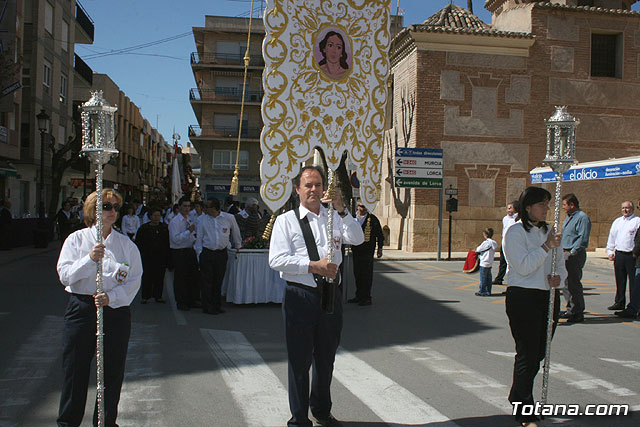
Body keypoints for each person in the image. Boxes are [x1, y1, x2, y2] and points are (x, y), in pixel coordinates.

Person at [269, 165, 364, 427]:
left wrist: (342, 209)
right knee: (299, 361)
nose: (314, 189)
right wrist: (312, 266)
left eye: (318, 185)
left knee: (326, 359)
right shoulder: (285, 221)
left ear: (325, 189)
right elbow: (276, 259)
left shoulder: (333, 217)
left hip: (331, 296)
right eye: (308, 185)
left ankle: (321, 410)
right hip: (300, 296)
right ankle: (299, 419)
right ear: (298, 189)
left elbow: (357, 238)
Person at [56, 188, 142, 427]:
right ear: (93, 211)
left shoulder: (126, 245)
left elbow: (134, 280)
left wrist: (112, 297)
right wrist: (89, 259)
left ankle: (104, 422)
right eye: (106, 207)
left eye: (115, 207)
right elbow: (65, 275)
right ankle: (68, 422)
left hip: (114, 312)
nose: (112, 211)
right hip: (81, 308)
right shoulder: (76, 240)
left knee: (111, 372)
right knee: (75, 370)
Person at [502, 187, 565, 427]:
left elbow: (561, 263)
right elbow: (524, 266)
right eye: (542, 204)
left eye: (548, 204)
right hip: (523, 297)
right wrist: (546, 247)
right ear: (528, 207)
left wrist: (559, 277)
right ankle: (525, 410)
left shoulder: (550, 232)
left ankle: (517, 395)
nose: (546, 208)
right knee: (527, 354)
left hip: (547, 296)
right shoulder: (515, 232)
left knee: (539, 353)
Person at [195, 199, 242, 314]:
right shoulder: (202, 220)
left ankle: (216, 304)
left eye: (207, 206)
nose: (205, 209)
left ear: (214, 208)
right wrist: (199, 254)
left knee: (218, 280)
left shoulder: (229, 218)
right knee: (207, 281)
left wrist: (238, 245)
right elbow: (199, 238)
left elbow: (235, 232)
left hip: (221, 253)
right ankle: (207, 306)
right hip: (207, 252)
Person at [559, 193, 591, 323]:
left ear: (572, 205)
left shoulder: (582, 218)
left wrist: (572, 252)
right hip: (565, 252)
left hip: (574, 254)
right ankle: (570, 309)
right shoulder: (569, 218)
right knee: (566, 284)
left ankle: (578, 312)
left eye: (565, 205)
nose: (563, 207)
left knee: (574, 283)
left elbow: (582, 238)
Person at [347, 200, 383, 306]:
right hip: (356, 250)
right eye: (361, 206)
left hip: (368, 251)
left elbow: (379, 235)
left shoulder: (373, 219)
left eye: (365, 207)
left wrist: (380, 248)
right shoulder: (352, 219)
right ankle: (358, 295)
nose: (363, 209)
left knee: (366, 274)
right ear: (357, 207)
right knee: (357, 274)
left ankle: (367, 297)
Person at [605, 201, 640, 310]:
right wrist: (610, 251)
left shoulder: (637, 221)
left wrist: (635, 253)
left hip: (631, 255)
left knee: (634, 282)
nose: (625, 210)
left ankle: (634, 304)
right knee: (620, 280)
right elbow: (612, 237)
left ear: (633, 209)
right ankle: (619, 302)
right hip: (619, 254)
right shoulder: (617, 221)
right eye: (623, 208)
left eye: (627, 208)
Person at [169, 196, 201, 311]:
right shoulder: (175, 221)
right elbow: (175, 239)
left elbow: (192, 234)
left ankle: (191, 300)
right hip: (179, 251)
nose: (187, 209)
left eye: (188, 206)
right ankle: (181, 301)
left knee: (192, 276)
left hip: (189, 249)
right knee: (181, 277)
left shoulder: (189, 218)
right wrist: (189, 232)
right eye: (185, 206)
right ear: (179, 207)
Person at [136, 207, 170, 304]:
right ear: (150, 216)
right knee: (147, 276)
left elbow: (168, 243)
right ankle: (145, 296)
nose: (157, 218)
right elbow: (139, 243)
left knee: (159, 277)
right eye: (155, 215)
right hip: (148, 256)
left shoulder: (164, 228)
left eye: (158, 216)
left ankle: (158, 295)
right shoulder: (144, 229)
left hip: (161, 256)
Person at [493, 201, 519, 286]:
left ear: (515, 208)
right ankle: (499, 278)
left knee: (510, 264)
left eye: (510, 208)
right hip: (504, 242)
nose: (508, 210)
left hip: (512, 244)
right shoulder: (505, 218)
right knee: (503, 262)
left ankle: (511, 283)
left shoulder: (518, 219)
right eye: (507, 208)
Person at [475, 227, 498, 296]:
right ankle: (488, 291)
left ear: (485, 235)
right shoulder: (494, 243)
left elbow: (478, 249)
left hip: (484, 262)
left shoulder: (486, 243)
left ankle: (482, 291)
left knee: (483, 278)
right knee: (489, 278)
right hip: (490, 262)